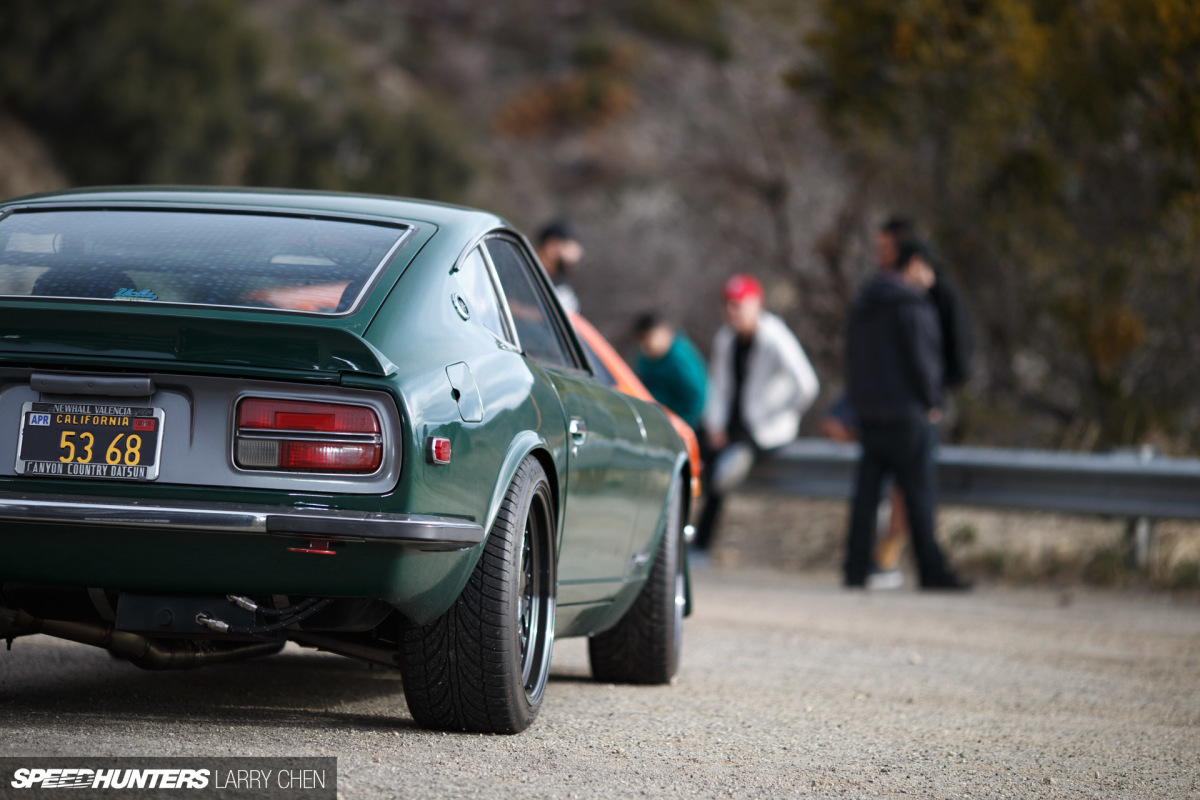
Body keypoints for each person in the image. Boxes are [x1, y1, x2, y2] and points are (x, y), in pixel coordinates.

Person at [843, 240, 969, 590]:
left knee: (866, 497)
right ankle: (931, 571)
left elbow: (852, 356)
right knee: (919, 495)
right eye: (927, 268)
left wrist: (860, 403)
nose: (930, 277)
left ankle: (855, 569)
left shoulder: (864, 301)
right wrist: (933, 402)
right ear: (914, 264)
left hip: (870, 414)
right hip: (908, 416)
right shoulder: (912, 304)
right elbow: (923, 360)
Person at [694, 274, 820, 552]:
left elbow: (807, 385)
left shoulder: (775, 336)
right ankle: (689, 542)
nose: (732, 311)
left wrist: (773, 415)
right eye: (728, 304)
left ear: (757, 305)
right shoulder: (726, 339)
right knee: (694, 453)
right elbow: (719, 387)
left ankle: (701, 544)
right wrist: (715, 424)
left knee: (724, 473)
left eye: (739, 304)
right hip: (730, 425)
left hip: (762, 431)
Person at [632, 313, 708, 429]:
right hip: (657, 421)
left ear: (664, 332)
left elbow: (697, 397)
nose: (645, 344)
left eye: (649, 337)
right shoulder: (645, 357)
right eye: (641, 339)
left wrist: (680, 426)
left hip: (683, 426)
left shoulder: (679, 358)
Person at [535, 219, 584, 313]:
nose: (577, 255)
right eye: (570, 247)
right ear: (552, 245)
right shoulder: (509, 264)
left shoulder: (563, 294)